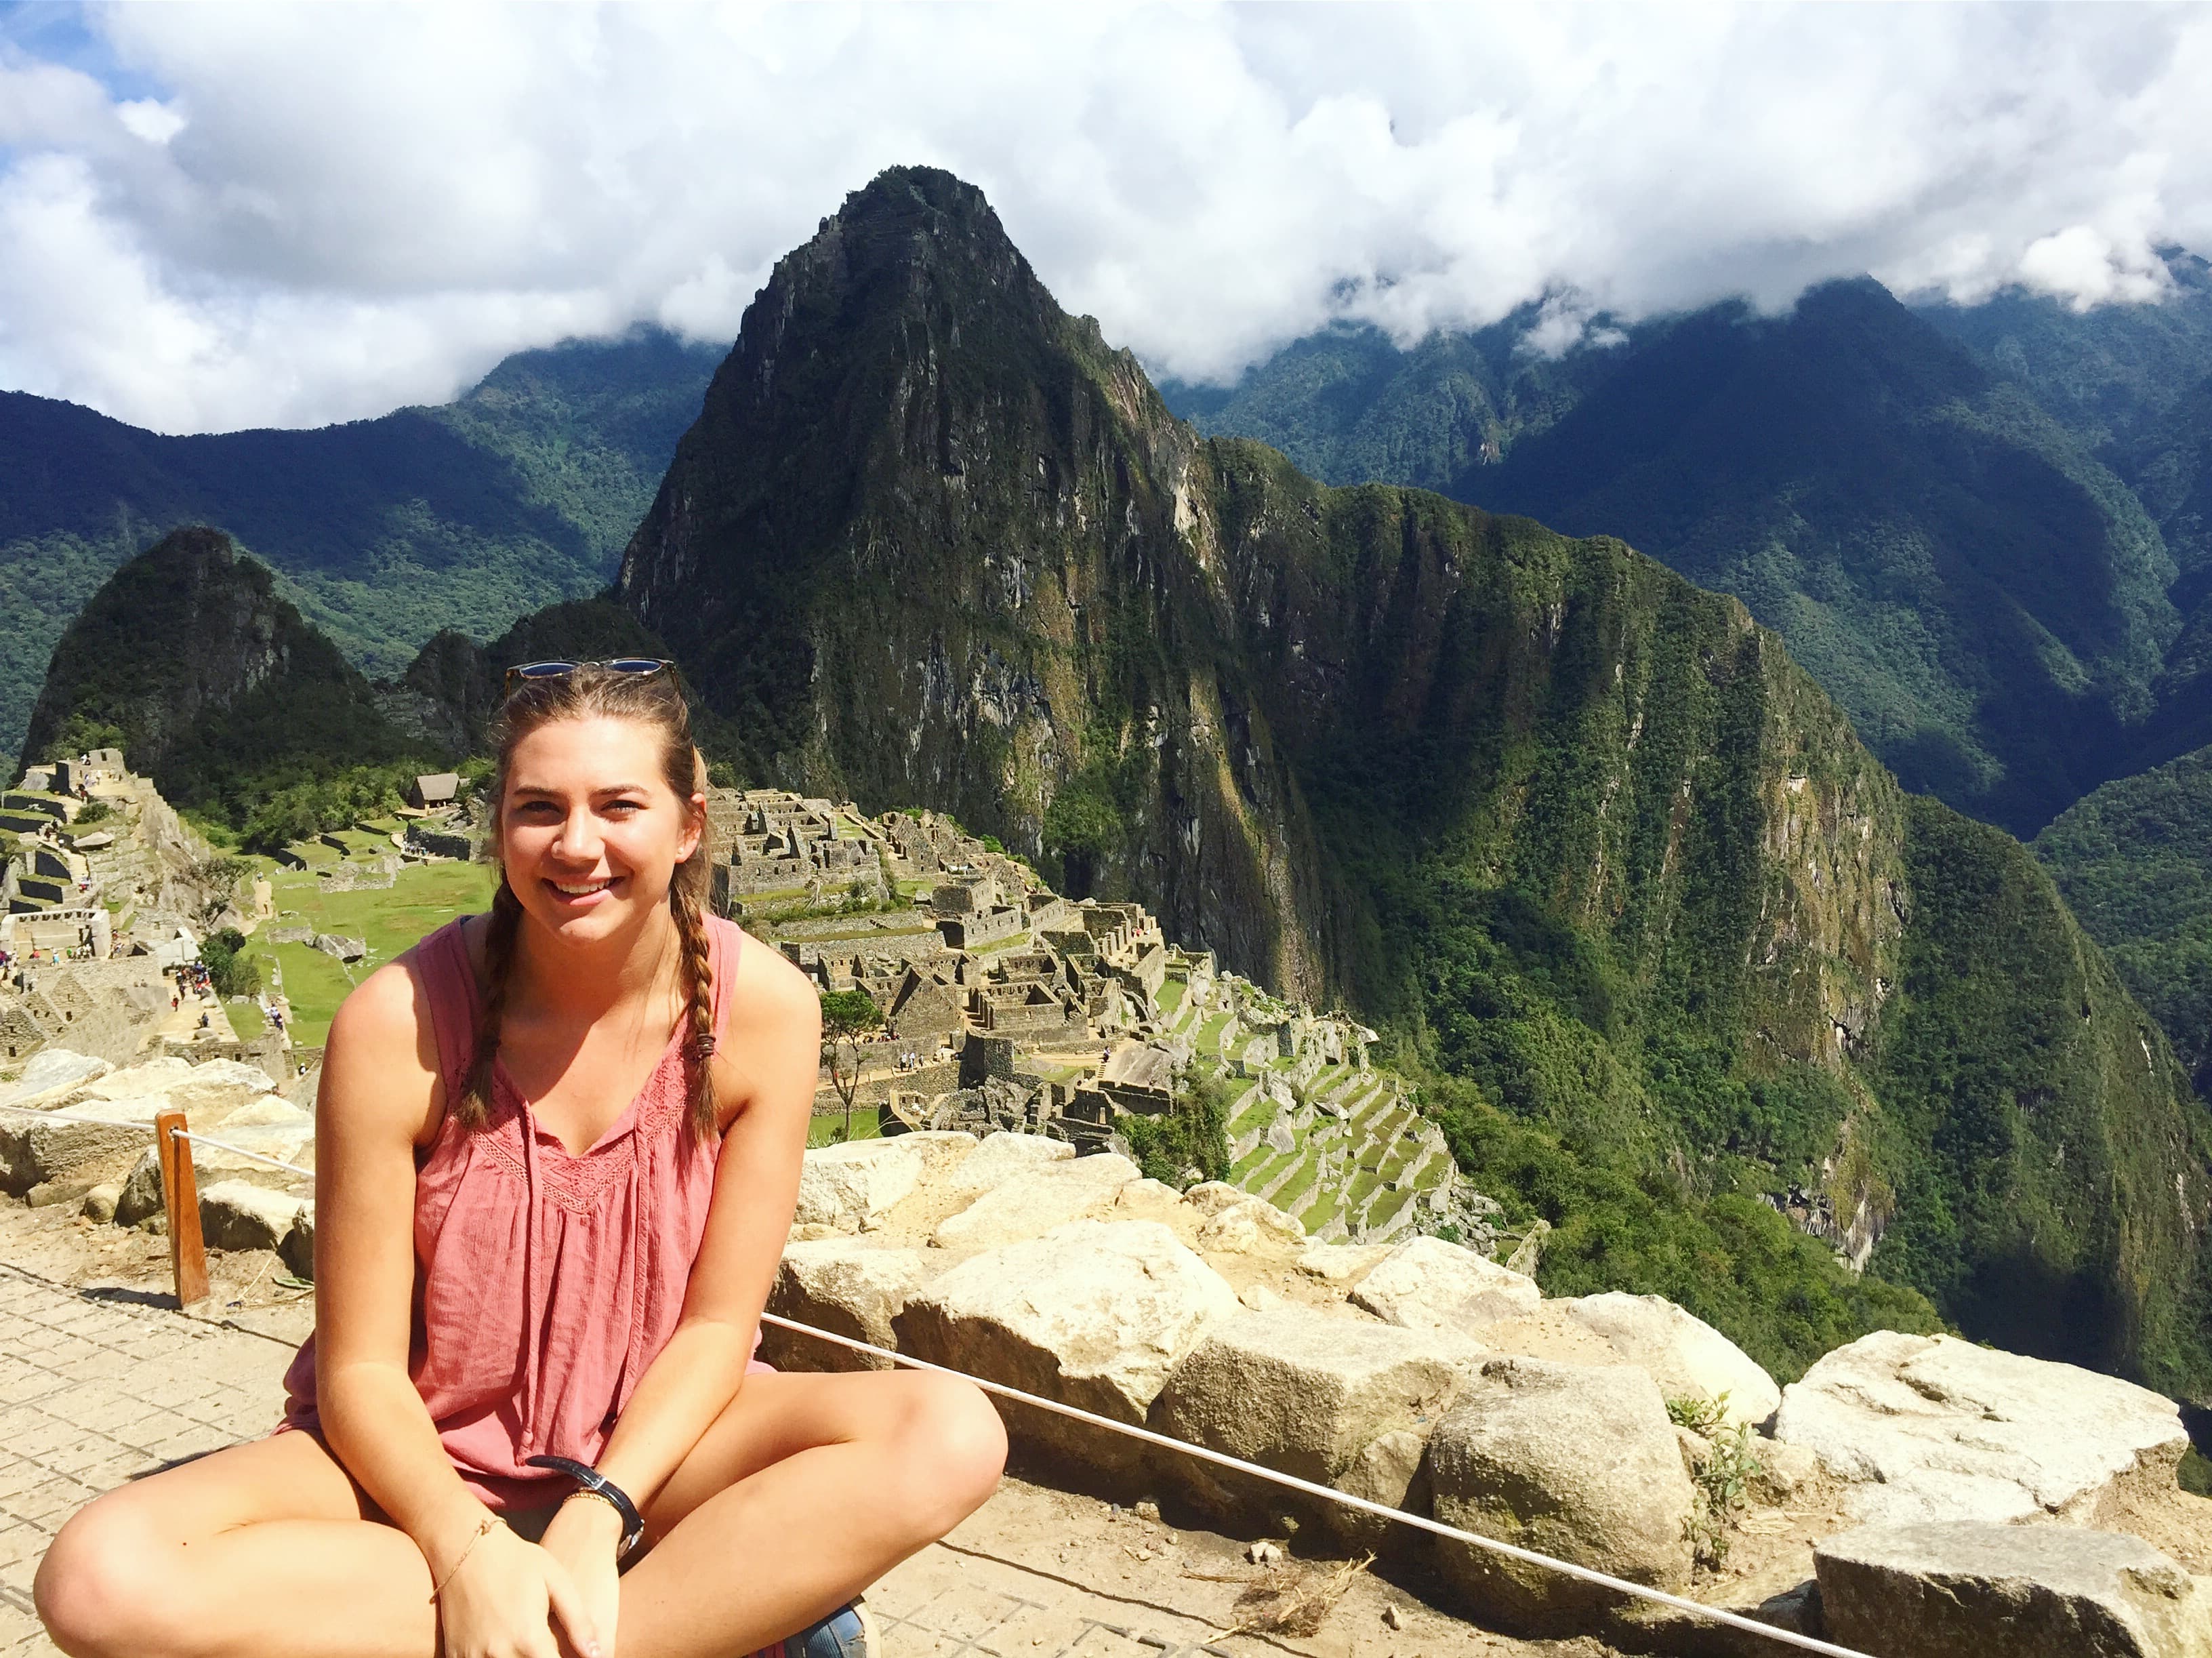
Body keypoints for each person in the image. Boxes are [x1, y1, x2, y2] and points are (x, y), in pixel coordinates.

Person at [35, 662, 1006, 1658]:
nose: (577, 845)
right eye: (539, 808)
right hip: (426, 1460)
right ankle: (640, 1613)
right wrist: (467, 1552)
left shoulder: (764, 1014)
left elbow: (719, 1326)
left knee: (951, 1431)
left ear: (688, 824)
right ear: (500, 826)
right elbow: (363, 1370)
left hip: (663, 1455)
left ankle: (574, 1628)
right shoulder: (398, 1025)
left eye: (619, 805)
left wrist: (597, 1513)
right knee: (99, 1573)